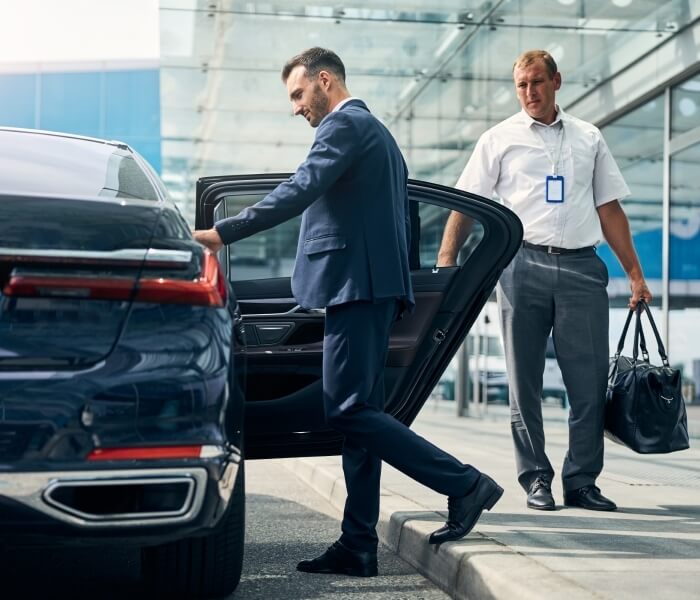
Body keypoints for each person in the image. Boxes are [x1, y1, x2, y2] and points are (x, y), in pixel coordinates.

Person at [194, 47, 503, 576]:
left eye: (297, 94)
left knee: (348, 412)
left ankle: (465, 483)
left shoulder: (346, 126)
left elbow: (299, 188)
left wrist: (223, 232)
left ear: (324, 80)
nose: (296, 108)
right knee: (361, 421)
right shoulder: (378, 135)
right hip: (366, 287)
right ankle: (358, 543)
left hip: (356, 290)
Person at [437, 49, 652, 513]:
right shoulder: (499, 138)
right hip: (521, 266)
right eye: (521, 85)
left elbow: (609, 208)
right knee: (525, 382)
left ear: (557, 81)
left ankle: (581, 481)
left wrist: (634, 273)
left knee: (589, 383)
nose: (529, 92)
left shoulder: (588, 137)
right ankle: (536, 478)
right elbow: (467, 202)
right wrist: (446, 261)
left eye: (537, 82)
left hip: (582, 268)